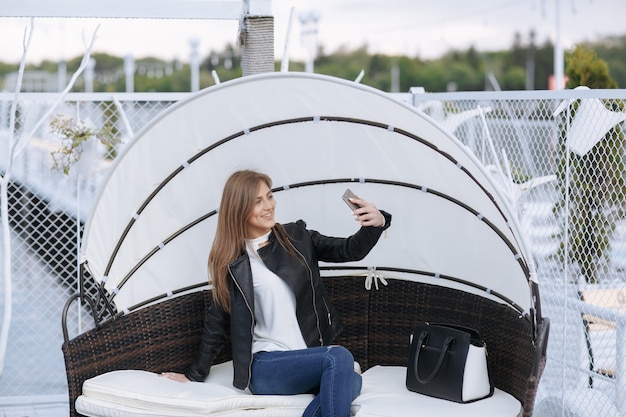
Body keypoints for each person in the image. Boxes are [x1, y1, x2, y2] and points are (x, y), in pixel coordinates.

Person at [161, 169, 391, 417]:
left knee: (350, 380)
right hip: (267, 366)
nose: (269, 205)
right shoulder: (233, 264)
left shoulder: (298, 237)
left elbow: (350, 250)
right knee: (340, 360)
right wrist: (193, 375)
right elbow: (216, 324)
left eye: (269, 197)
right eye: (258, 201)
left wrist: (376, 223)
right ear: (239, 209)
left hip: (309, 359)